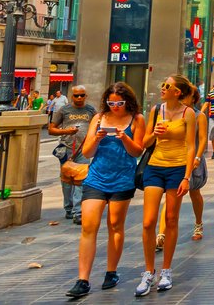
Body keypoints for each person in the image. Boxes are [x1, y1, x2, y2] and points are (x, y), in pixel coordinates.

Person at [66, 82, 145, 299]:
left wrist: (124, 137)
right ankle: (82, 280)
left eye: (119, 103)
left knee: (115, 225)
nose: (115, 107)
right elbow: (88, 152)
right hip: (96, 178)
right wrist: (97, 137)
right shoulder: (98, 118)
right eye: (111, 103)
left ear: (127, 101)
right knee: (88, 226)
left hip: (122, 179)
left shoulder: (137, 119)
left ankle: (111, 271)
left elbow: (137, 151)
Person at [136, 75, 197, 297]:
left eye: (167, 86)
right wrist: (154, 134)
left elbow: (191, 146)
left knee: (171, 219)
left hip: (178, 168)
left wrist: (187, 177)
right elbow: (144, 143)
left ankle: (166, 270)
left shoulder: (188, 113)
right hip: (154, 167)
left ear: (177, 92)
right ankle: (148, 271)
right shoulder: (156, 111)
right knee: (148, 221)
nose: (162, 88)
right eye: (162, 84)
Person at [159, 88, 209, 248]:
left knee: (195, 193)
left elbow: (202, 140)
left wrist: (197, 157)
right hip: (176, 159)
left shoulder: (199, 116)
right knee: (171, 195)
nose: (181, 99)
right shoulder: (174, 114)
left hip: (193, 159)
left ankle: (198, 223)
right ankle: (161, 234)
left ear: (193, 98)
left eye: (185, 96)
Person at [49, 85, 97, 224]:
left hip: (84, 149)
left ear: (86, 96)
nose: (80, 98)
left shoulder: (91, 110)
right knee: (67, 180)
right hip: (66, 149)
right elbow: (51, 129)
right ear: (72, 96)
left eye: (82, 95)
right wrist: (66, 132)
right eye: (77, 95)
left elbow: (97, 125)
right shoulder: (64, 110)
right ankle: (68, 207)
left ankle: (78, 211)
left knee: (81, 179)